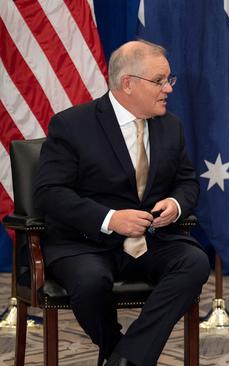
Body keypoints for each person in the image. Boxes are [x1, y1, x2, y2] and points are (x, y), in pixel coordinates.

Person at [34, 40, 210, 366]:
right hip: (85, 243)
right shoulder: (72, 125)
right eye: (159, 81)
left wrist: (175, 203)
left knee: (195, 261)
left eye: (169, 79)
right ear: (127, 83)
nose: (168, 88)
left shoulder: (171, 126)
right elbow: (49, 193)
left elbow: (187, 182)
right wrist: (110, 218)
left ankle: (127, 359)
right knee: (90, 282)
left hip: (151, 240)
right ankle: (121, 351)